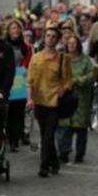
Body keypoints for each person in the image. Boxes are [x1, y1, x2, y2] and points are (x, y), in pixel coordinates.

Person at [27, 26, 72, 177]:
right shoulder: (36, 57)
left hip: (54, 102)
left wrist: (63, 89)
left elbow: (68, 81)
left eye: (53, 36)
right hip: (39, 101)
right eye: (48, 36)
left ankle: (44, 166)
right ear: (44, 38)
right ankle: (55, 162)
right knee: (45, 133)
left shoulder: (62, 59)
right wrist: (29, 98)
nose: (50, 38)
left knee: (48, 134)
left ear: (57, 40)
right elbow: (30, 81)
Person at [57, 32, 95, 164]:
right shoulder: (62, 58)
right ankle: (64, 152)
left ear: (78, 45)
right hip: (65, 97)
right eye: (69, 43)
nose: (71, 45)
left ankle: (80, 153)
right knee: (64, 126)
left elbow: (91, 76)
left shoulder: (85, 60)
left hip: (81, 97)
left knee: (80, 128)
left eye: (74, 43)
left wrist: (77, 80)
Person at [4, 19, 33, 149]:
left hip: (20, 80)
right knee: (8, 111)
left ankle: (15, 139)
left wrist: (27, 70)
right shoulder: (4, 45)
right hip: (7, 79)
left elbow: (29, 62)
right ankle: (10, 136)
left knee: (19, 110)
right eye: (12, 28)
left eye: (17, 28)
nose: (15, 31)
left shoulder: (25, 46)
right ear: (8, 31)